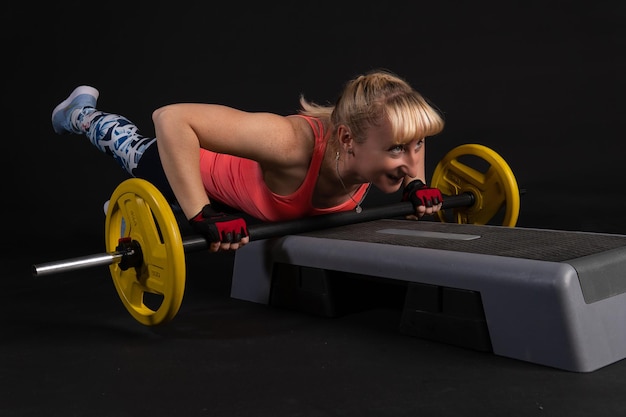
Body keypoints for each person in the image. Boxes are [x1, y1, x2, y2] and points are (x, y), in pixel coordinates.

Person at [51, 69, 445, 252]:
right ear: (347, 140)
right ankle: (81, 113)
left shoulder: (384, 151)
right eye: (396, 149)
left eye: (418, 145)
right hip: (190, 170)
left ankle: (141, 212)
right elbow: (171, 118)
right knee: (130, 147)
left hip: (241, 201)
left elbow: (409, 158)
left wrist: (414, 187)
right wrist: (201, 214)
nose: (411, 160)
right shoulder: (291, 144)